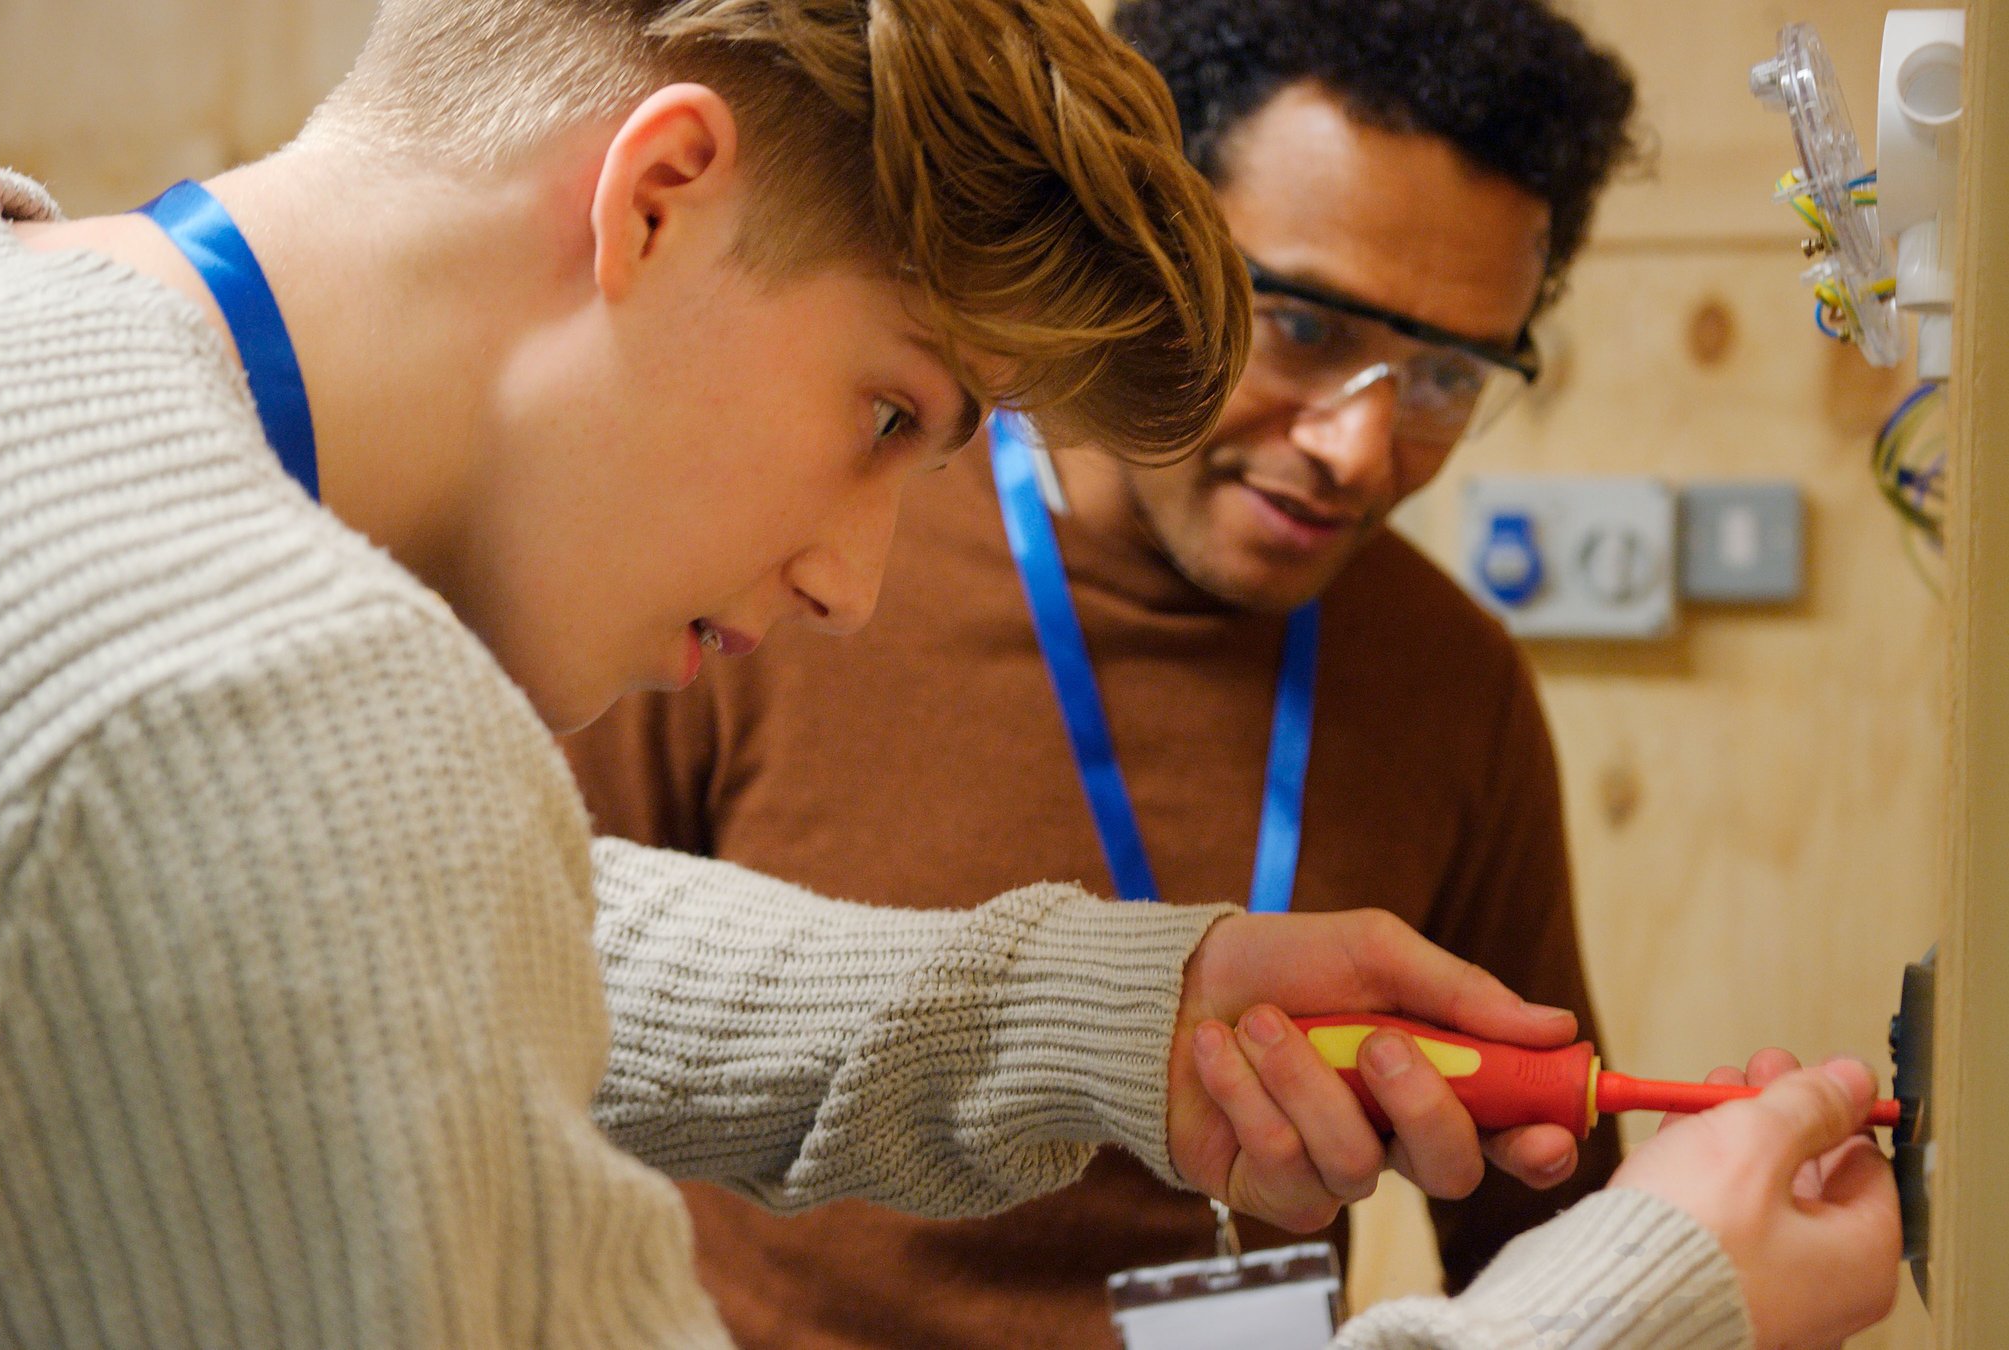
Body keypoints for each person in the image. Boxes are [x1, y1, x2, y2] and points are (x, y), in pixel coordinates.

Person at [0, 1, 1897, 1348]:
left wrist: (1108, 1011)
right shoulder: (238, 714)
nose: (858, 584)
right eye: (891, 414)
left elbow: (394, 906)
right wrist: (1639, 1303)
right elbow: (317, 837)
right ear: (656, 195)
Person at [561, 0, 1645, 1340]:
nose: (1359, 450)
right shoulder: (781, 568)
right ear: (1151, 254)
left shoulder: (1451, 681)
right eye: (1302, 327)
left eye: (1442, 378)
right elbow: (533, 1033)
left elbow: (1550, 1218)